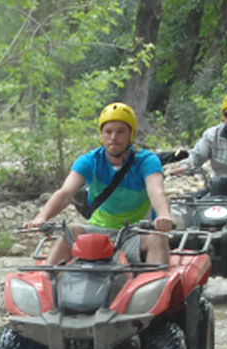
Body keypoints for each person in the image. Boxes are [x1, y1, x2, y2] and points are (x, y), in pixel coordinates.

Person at [23, 102, 173, 265]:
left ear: (131, 134)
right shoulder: (90, 160)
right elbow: (65, 193)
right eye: (108, 131)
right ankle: (47, 277)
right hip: (97, 231)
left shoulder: (147, 161)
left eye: (121, 131)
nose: (113, 137)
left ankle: (157, 279)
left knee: (158, 239)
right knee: (68, 233)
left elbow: (156, 191)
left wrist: (164, 215)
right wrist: (42, 217)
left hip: (136, 232)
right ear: (101, 134)